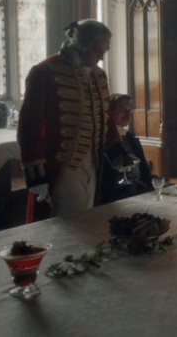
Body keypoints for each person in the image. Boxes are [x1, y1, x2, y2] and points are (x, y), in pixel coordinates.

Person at [18, 19, 117, 222]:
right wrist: (37, 177)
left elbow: (105, 116)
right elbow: (30, 127)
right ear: (80, 45)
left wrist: (119, 154)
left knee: (89, 220)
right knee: (67, 225)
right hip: (62, 168)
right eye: (98, 50)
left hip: (93, 164)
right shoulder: (45, 73)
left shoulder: (99, 75)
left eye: (104, 51)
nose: (101, 57)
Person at [101, 94, 154, 204]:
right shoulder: (103, 140)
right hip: (115, 199)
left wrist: (156, 186)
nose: (127, 114)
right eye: (123, 110)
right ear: (110, 112)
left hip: (139, 195)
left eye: (129, 110)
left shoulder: (131, 137)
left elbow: (144, 171)